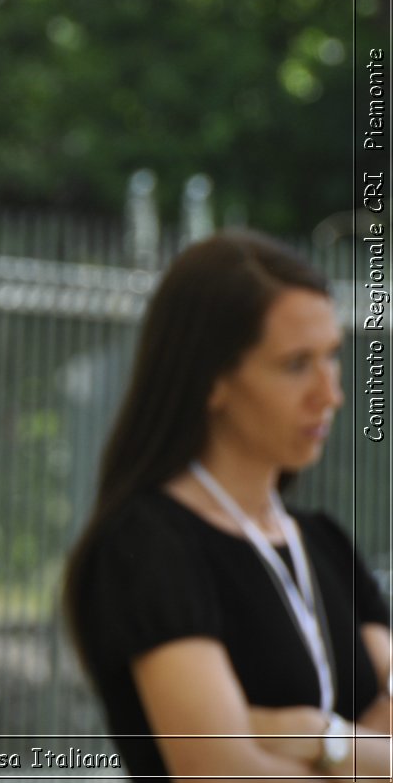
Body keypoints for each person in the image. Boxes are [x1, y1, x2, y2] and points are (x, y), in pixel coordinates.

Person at [63, 231, 392, 780]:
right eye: (295, 364)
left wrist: (318, 738)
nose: (330, 393)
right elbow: (219, 768)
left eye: (331, 357)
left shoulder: (324, 542)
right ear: (212, 380)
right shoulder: (149, 545)